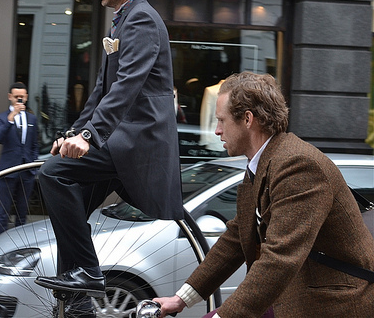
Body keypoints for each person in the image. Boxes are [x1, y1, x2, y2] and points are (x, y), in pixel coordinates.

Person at [34, 0, 183, 317]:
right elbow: (101, 92)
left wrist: (89, 137)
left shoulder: (144, 19)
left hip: (137, 142)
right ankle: (79, 301)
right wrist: (74, 133)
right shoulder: (124, 20)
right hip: (119, 138)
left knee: (53, 175)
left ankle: (87, 273)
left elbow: (128, 86)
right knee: (70, 205)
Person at [153, 72, 374, 318]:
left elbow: (280, 258)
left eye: (222, 121)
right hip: (292, 293)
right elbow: (237, 237)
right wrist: (181, 299)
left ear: (248, 119)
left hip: (330, 302)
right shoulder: (262, 163)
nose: (216, 130)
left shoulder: (298, 166)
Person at [0, 82, 39, 234]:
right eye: (16, 97)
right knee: (4, 212)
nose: (19, 100)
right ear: (10, 97)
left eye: (22, 97)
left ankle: (19, 249)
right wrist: (11, 117)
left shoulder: (32, 119)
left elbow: (34, 145)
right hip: (8, 170)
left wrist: (33, 164)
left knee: (22, 213)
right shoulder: (2, 118)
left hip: (26, 171)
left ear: (26, 97)